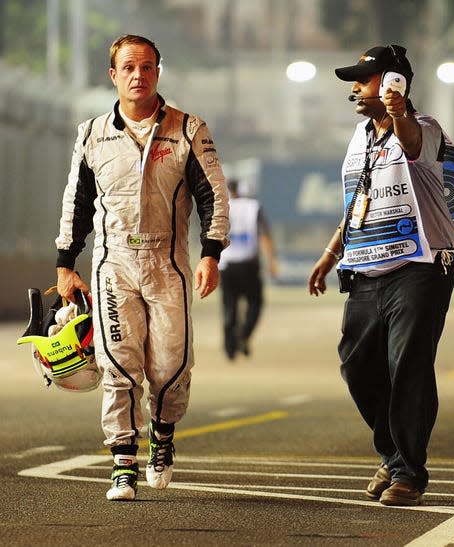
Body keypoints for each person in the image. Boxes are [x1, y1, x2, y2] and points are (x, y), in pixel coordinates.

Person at [55, 34, 230, 501]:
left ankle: (163, 434)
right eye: (129, 68)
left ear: (158, 72)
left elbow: (214, 194)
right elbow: (77, 201)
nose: (138, 75)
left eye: (147, 67)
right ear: (113, 75)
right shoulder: (92, 134)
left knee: (171, 365)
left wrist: (211, 252)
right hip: (113, 266)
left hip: (168, 265)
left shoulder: (188, 129)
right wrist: (65, 263)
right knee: (118, 363)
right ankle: (122, 461)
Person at [307, 44, 454, 507]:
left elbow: (413, 145)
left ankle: (408, 473)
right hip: (366, 266)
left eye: (365, 78)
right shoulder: (360, 137)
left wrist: (399, 113)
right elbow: (359, 197)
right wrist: (331, 250)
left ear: (394, 82)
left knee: (408, 367)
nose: (355, 88)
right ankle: (394, 453)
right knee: (357, 366)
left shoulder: (425, 129)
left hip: (420, 268)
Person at [219, 179, 277, 360]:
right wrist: (272, 260)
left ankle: (230, 349)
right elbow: (264, 235)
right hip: (249, 264)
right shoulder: (254, 206)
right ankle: (244, 334)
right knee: (255, 303)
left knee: (229, 307)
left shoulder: (222, 206)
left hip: (227, 264)